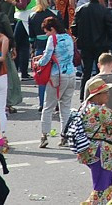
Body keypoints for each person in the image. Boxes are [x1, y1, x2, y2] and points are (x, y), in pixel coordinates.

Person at [76, 76, 112, 204]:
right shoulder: (99, 110)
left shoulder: (85, 107)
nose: (108, 95)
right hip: (101, 151)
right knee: (104, 185)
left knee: (99, 182)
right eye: (105, 92)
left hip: (89, 149)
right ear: (97, 95)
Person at [37, 15, 76, 148]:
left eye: (47, 31)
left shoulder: (52, 39)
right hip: (71, 73)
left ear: (52, 29)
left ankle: (44, 136)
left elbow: (47, 58)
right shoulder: (69, 37)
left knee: (48, 107)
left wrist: (38, 62)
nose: (46, 34)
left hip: (56, 75)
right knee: (65, 107)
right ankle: (64, 136)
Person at [73, 0, 112, 98]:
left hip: (86, 45)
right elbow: (110, 29)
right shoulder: (104, 11)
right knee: (100, 72)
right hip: (101, 45)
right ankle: (100, 94)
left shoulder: (81, 10)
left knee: (86, 72)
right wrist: (109, 41)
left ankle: (83, 95)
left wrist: (79, 36)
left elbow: (74, 28)